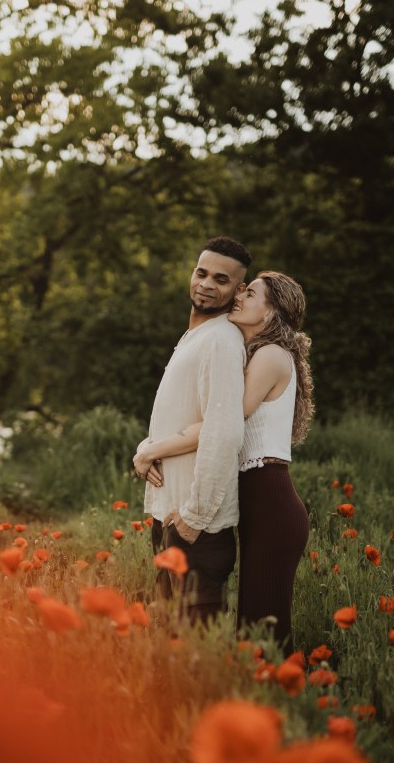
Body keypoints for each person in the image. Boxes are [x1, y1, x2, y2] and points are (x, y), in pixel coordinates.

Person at [135, 270, 313, 652]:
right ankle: (269, 700)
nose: (240, 297)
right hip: (259, 503)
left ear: (269, 314)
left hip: (271, 502)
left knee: (264, 630)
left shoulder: (270, 356)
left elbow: (222, 423)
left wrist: (152, 449)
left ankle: (285, 702)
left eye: (251, 294)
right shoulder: (257, 354)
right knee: (254, 628)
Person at [133, 236, 251, 622]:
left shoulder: (222, 340)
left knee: (194, 648)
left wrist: (197, 515)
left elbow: (225, 429)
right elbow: (187, 417)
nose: (205, 284)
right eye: (201, 273)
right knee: (169, 640)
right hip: (173, 513)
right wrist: (147, 448)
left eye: (220, 279)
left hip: (194, 524)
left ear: (238, 290)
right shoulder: (196, 336)